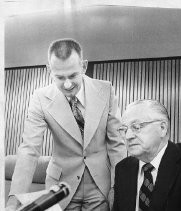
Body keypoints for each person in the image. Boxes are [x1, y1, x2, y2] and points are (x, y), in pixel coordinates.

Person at [6, 38, 127, 211]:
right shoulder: (40, 97)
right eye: (60, 77)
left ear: (84, 66)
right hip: (60, 186)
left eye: (72, 75)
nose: (67, 84)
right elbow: (29, 149)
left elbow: (117, 144)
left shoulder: (106, 90)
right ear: (49, 70)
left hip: (100, 184)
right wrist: (14, 198)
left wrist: (119, 187)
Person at [113, 99, 181, 211]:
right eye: (124, 129)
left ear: (162, 128)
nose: (128, 136)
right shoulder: (123, 168)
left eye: (137, 127)